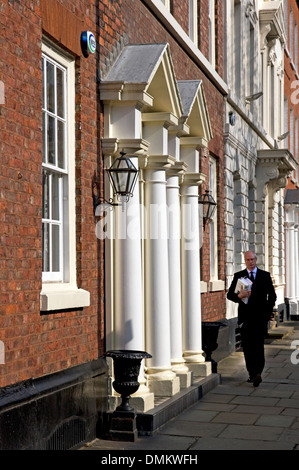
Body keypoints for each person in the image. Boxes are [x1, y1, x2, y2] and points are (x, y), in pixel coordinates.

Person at [227, 250, 276, 387]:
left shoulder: (264, 276)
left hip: (260, 318)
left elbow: (272, 296)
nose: (251, 262)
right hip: (245, 318)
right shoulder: (239, 276)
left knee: (258, 346)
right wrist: (239, 296)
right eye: (248, 260)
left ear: (256, 259)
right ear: (245, 261)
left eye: (253, 259)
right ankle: (252, 373)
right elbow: (230, 294)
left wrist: (267, 313)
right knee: (248, 347)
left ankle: (258, 373)